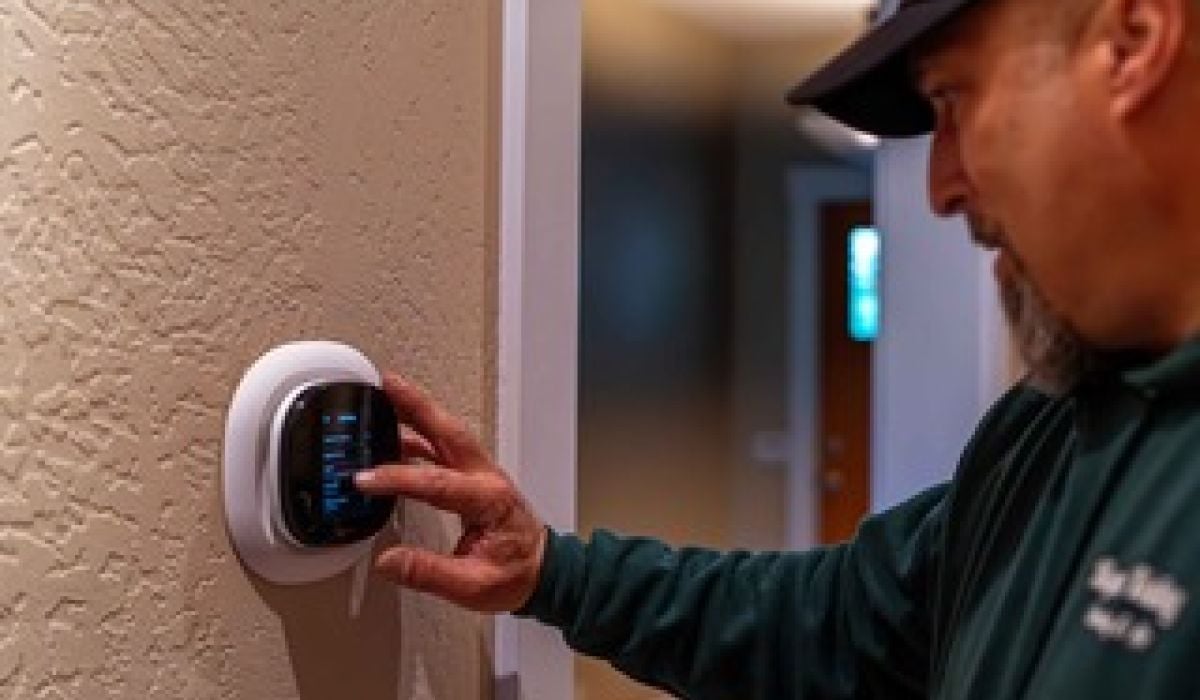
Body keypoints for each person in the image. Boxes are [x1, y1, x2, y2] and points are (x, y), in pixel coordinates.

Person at [353, 0, 1200, 696]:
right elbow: (832, 621)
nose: (943, 186)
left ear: (1131, 41)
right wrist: (551, 569)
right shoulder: (1043, 433)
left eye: (951, 100)